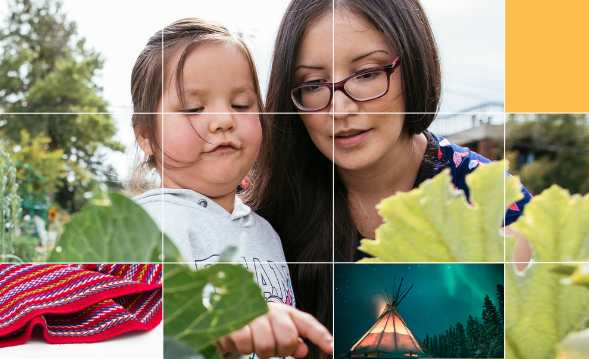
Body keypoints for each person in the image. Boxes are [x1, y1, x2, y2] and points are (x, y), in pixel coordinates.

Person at [252, 0, 531, 265]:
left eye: (366, 74)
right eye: (313, 84)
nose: (339, 109)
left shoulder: (497, 205)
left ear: (413, 65)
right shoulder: (265, 210)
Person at [128, 18, 332, 359]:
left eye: (240, 105)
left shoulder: (266, 231)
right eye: (193, 108)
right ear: (146, 133)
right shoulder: (153, 225)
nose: (224, 120)